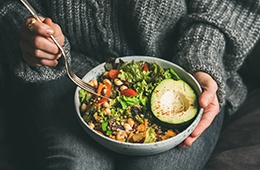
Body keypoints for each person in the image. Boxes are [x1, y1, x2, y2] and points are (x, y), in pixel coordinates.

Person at [0, 0, 259, 169]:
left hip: (183, 70)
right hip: (60, 69)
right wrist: (26, 30)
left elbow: (231, 5)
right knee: (77, 164)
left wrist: (202, 53)